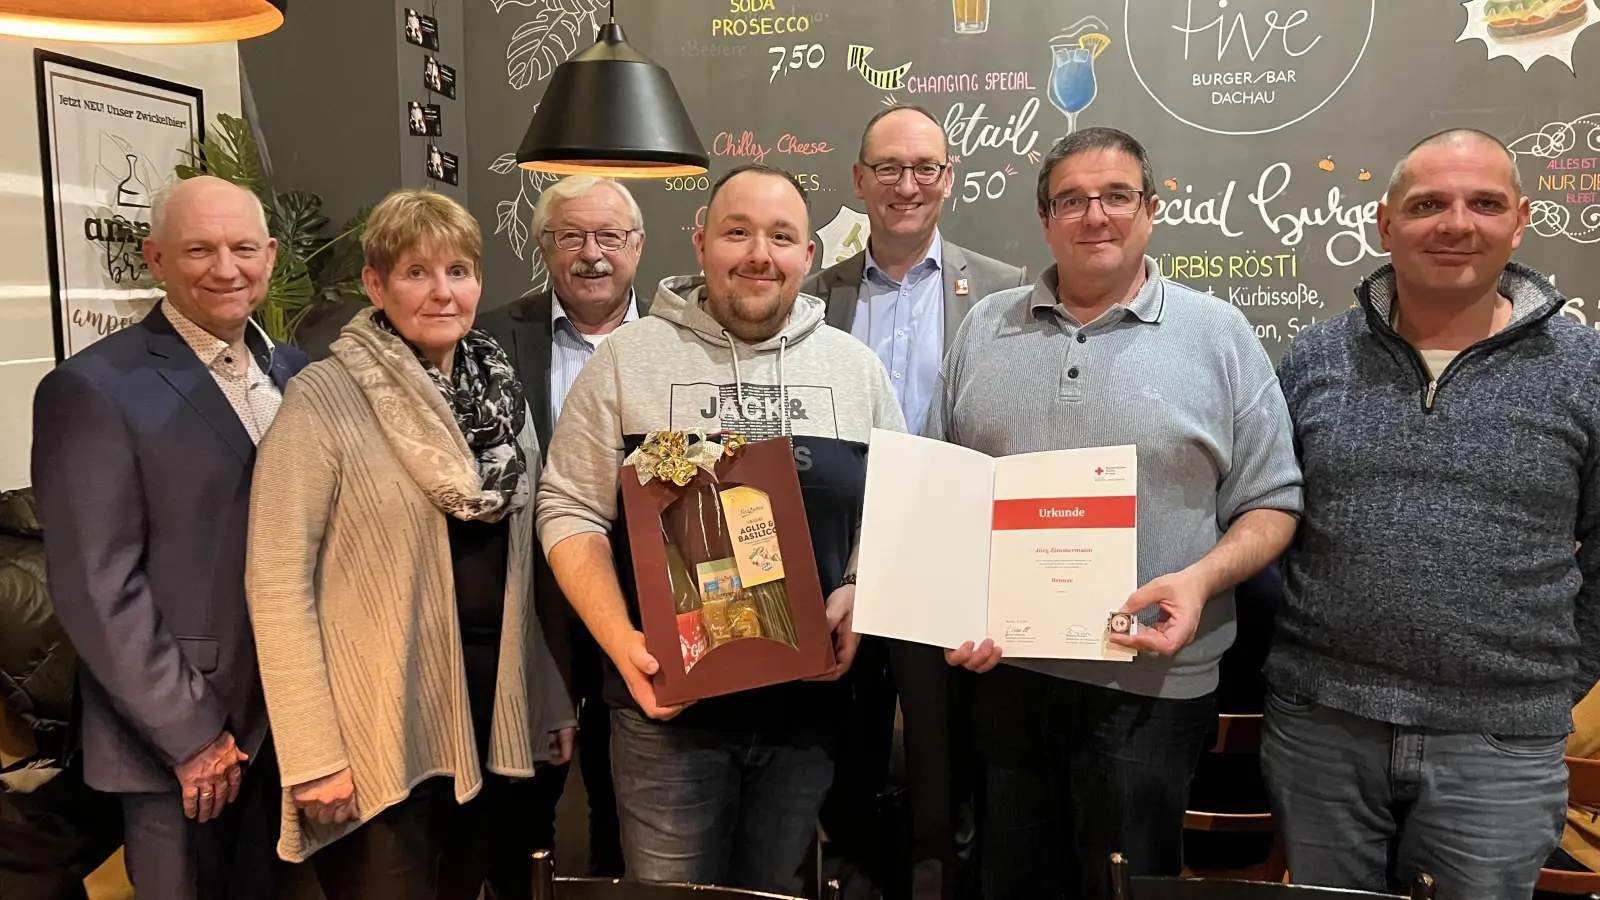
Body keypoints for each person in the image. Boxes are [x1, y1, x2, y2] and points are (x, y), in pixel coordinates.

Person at [928, 128, 1303, 900]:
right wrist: (948, 607)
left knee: (1126, 885)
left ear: (1151, 210)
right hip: (1007, 676)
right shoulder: (984, 328)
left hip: (1154, 687)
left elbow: (1273, 503)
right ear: (1045, 220)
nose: (1094, 216)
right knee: (1009, 882)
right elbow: (944, 489)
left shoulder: (1219, 334)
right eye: (1071, 200)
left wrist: (1201, 581)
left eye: (1116, 196)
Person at [535, 163, 907, 894]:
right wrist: (623, 642)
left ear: (809, 256)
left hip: (808, 714)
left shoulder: (855, 370)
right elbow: (568, 507)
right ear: (701, 241)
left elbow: (894, 505)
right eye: (737, 232)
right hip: (667, 720)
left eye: (781, 236)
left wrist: (862, 588)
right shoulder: (623, 362)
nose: (758, 253)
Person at [1264, 128, 1600, 900]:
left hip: (1500, 745)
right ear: (1385, 223)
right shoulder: (1317, 356)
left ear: (1519, 221)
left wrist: (1550, 683)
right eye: (1428, 204)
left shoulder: (1585, 368)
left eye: (1483, 203)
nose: (1456, 223)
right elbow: (1269, 511)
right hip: (1322, 727)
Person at [245, 188, 575, 900]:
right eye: (416, 273)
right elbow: (276, 584)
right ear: (375, 283)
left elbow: (529, 566)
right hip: (379, 730)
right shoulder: (324, 400)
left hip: (492, 719)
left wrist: (546, 701)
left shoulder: (501, 395)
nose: (441, 292)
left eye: (458, 271)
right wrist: (310, 755)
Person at [30, 175, 307, 900]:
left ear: (270, 256)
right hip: (179, 743)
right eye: (198, 250)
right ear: (156, 259)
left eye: (243, 248)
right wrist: (191, 735)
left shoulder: (299, 375)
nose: (225, 268)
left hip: (291, 727)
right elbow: (97, 586)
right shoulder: (93, 389)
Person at [802, 103, 1027, 900]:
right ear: (860, 180)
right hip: (836, 569)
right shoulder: (806, 294)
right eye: (888, 168)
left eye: (925, 167)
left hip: (948, 567)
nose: (907, 185)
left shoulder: (1008, 296)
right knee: (844, 774)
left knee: (945, 787)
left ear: (949, 180)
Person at [478, 173, 647, 877]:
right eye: (570, 236)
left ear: (638, 245)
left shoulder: (675, 343)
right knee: (520, 801)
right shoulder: (488, 337)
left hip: (638, 607)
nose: (592, 254)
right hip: (525, 606)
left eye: (610, 236)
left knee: (628, 798)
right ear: (544, 246)